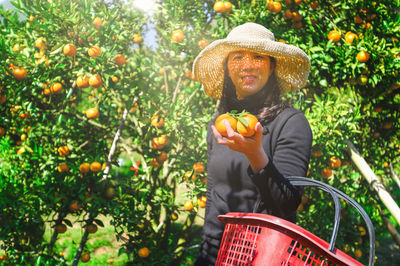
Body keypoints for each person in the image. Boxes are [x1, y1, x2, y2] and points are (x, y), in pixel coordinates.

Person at [192, 22, 313, 265]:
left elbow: (287, 205)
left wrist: (256, 154)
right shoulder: (220, 125)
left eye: (258, 56)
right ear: (227, 68)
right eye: (237, 57)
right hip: (214, 251)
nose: (247, 65)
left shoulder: (291, 123)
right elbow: (216, 196)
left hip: (262, 254)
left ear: (271, 67)